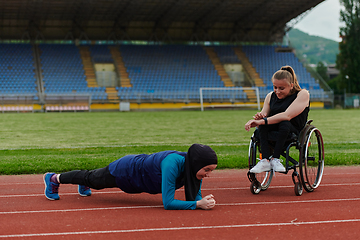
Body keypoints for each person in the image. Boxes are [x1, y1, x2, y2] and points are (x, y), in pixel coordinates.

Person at [44, 143, 218, 210]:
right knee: (93, 179)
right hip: (127, 171)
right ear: (196, 163)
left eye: (211, 170)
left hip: (139, 177)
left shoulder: (192, 169)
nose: (208, 174)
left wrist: (203, 201)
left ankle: (84, 183)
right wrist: (197, 204)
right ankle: (53, 178)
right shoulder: (172, 164)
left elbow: (195, 194)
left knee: (93, 178)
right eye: (207, 169)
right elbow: (168, 203)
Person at [244, 65, 309, 173]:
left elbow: (287, 115)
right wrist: (260, 117)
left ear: (291, 85)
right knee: (264, 124)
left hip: (292, 130)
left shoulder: (302, 94)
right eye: (275, 87)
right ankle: (265, 160)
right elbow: (265, 114)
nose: (277, 91)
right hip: (275, 128)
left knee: (284, 122)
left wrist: (262, 121)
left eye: (281, 88)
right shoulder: (270, 96)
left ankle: (275, 159)